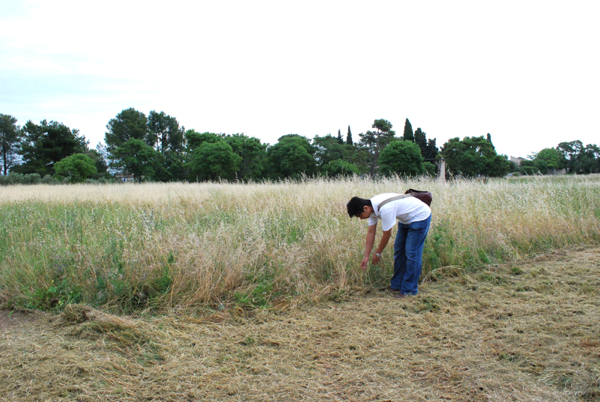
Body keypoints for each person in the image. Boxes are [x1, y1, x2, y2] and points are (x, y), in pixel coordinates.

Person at [347, 193, 431, 298]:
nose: (360, 218)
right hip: (406, 220)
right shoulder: (372, 208)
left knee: (412, 253)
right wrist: (366, 256)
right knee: (399, 250)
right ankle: (397, 285)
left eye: (359, 215)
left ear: (365, 208)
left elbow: (387, 234)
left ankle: (409, 290)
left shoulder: (385, 208)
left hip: (420, 217)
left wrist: (377, 253)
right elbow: (371, 232)